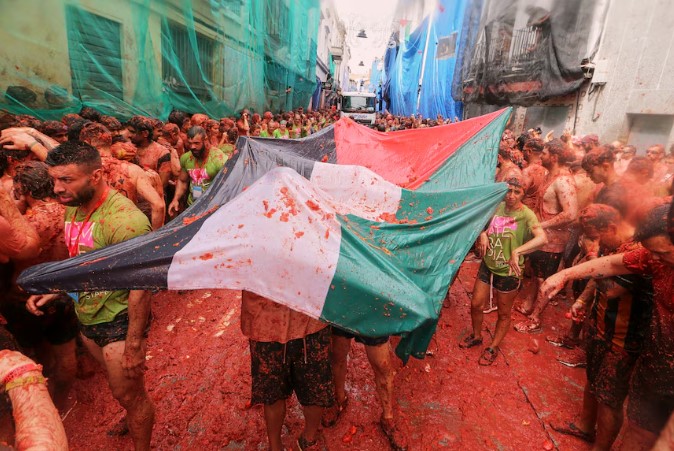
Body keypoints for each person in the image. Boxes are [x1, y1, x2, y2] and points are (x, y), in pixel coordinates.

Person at [26, 141, 155, 451]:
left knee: (131, 395)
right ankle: (129, 412)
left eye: (66, 180)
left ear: (95, 176)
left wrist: (134, 344)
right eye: (54, 179)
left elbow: (141, 288)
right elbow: (84, 263)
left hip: (119, 322)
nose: (57, 188)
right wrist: (56, 289)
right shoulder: (73, 205)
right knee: (119, 389)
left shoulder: (125, 221)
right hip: (87, 315)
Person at [540, 204, 674, 450]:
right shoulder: (648, 256)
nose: (655, 257)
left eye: (662, 252)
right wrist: (566, 277)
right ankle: (586, 427)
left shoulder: (639, 249)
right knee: (608, 397)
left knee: (610, 399)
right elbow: (610, 266)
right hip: (648, 360)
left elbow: (612, 289)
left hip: (626, 339)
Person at [2, 161, 78, 411]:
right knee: (66, 352)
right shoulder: (70, 210)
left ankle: (45, 405)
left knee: (37, 356)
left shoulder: (29, 224)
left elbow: (13, 255)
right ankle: (62, 404)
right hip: (63, 289)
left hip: (26, 299)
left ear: (24, 190)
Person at [459, 178, 546, 365]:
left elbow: (542, 238)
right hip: (488, 264)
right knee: (476, 304)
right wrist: (482, 233)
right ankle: (476, 336)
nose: (511, 196)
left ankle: (493, 347)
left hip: (509, 271)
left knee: (504, 314)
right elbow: (479, 221)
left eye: (517, 192)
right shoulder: (496, 207)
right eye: (509, 191)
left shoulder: (527, 215)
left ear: (523, 194)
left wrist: (517, 251)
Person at [241, 290, 333, 450]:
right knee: (273, 393)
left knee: (314, 389)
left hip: (309, 318)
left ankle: (307, 439)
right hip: (266, 321)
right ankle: (278, 446)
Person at [515, 139, 578, 332]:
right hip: (541, 238)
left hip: (553, 241)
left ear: (555, 157)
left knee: (545, 280)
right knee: (536, 275)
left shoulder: (564, 181)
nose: (540, 156)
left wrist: (542, 225)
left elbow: (571, 214)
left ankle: (535, 319)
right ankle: (529, 306)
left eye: (544, 153)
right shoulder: (550, 174)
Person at [323, 327, 408, 450]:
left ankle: (388, 417)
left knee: (382, 365)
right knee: (337, 355)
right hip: (343, 316)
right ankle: (339, 398)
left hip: (373, 317)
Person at [167, 126, 227, 215]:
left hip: (212, 208)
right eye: (190, 143)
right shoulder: (186, 158)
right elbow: (182, 181)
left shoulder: (219, 159)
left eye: (196, 143)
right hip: (192, 206)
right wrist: (175, 199)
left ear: (205, 140)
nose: (192, 147)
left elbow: (228, 185)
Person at [126, 116, 172, 188]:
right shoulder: (126, 148)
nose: (129, 135)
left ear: (145, 133)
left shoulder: (162, 153)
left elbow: (162, 184)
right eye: (129, 131)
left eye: (133, 132)